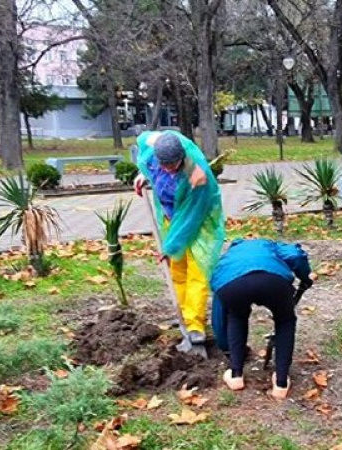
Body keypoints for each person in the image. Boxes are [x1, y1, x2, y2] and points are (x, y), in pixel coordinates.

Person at [134, 130, 225, 344]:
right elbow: (145, 143)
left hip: (198, 222)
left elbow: (189, 220)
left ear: (182, 158)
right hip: (171, 218)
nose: (168, 169)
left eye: (172, 165)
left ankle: (195, 325)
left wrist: (169, 246)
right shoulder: (151, 148)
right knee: (177, 270)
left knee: (197, 272)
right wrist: (143, 175)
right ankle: (184, 316)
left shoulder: (197, 177)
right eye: (163, 165)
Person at [209, 238, 313, 400]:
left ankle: (236, 375)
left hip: (231, 284)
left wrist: (224, 346)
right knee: (285, 321)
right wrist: (305, 277)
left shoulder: (228, 257)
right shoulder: (270, 244)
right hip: (272, 281)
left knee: (236, 317)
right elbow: (295, 255)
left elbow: (218, 316)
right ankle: (281, 382)